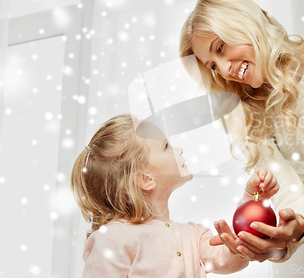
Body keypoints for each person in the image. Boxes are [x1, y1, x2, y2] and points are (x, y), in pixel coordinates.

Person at [179, 0, 304, 274]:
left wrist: (302, 221)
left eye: (220, 48)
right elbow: (289, 196)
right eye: (213, 65)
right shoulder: (245, 108)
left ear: (246, 21)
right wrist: (284, 234)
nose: (225, 69)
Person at [70, 114, 281, 277]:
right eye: (166, 147)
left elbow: (229, 257)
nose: (178, 149)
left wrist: (253, 201)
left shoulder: (193, 236)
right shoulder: (113, 240)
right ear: (145, 179)